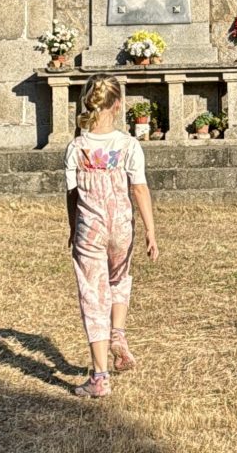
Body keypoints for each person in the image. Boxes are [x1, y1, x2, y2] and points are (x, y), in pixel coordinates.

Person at [65, 73, 158, 398]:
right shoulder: (128, 145)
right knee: (119, 280)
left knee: (93, 295)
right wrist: (150, 231)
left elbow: (72, 195)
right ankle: (117, 333)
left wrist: (71, 227)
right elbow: (140, 188)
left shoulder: (76, 147)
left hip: (89, 229)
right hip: (121, 226)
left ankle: (100, 376)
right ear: (118, 105)